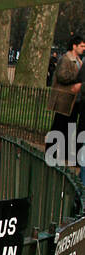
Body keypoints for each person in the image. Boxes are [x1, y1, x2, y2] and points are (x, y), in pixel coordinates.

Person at [46, 34, 85, 174]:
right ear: (74, 46)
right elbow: (62, 76)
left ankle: (65, 153)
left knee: (70, 126)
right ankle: (51, 151)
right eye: (81, 46)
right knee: (59, 124)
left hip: (74, 99)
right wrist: (78, 79)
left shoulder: (78, 60)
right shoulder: (66, 59)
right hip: (65, 98)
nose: (83, 48)